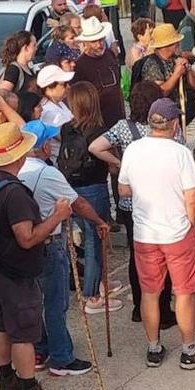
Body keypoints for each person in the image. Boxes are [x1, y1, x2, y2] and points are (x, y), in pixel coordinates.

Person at [119, 98, 195, 370]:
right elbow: (193, 199)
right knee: (184, 292)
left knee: (150, 292)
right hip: (176, 232)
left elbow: (124, 189)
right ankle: (188, 349)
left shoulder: (133, 149)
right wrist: (192, 224)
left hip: (144, 232)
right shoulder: (179, 153)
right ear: (174, 124)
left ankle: (154, 348)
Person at [0, 123, 67, 390]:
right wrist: (57, 216)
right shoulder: (14, 193)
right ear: (20, 153)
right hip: (16, 271)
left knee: (1, 326)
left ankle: (7, 380)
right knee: (24, 333)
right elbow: (27, 238)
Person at [18, 120, 106, 375]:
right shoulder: (47, 173)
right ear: (43, 145)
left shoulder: (15, 169)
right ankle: (61, 356)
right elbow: (77, 203)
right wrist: (99, 221)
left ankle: (41, 347)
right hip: (49, 242)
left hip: (25, 244)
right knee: (55, 303)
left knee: (35, 299)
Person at [90, 80, 178, 327]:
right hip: (159, 202)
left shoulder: (123, 127)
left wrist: (119, 164)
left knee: (136, 254)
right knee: (163, 256)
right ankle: (163, 308)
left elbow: (95, 146)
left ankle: (140, 306)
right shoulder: (165, 130)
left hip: (130, 204)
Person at [58, 82, 119, 315]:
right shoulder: (98, 130)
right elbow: (109, 163)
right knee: (95, 241)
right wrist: (116, 162)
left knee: (91, 240)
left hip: (71, 187)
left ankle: (100, 283)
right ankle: (91, 296)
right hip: (94, 188)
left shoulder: (66, 128)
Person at [72, 17, 126, 127]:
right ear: (85, 43)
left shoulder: (110, 55)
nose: (99, 45)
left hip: (118, 118)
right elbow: (79, 101)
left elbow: (117, 87)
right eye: (94, 41)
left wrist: (123, 114)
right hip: (98, 123)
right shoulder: (79, 66)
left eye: (101, 39)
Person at [0, 30, 35, 95]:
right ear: (25, 48)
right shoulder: (14, 70)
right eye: (34, 45)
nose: (36, 48)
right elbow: (1, 95)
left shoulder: (29, 69)